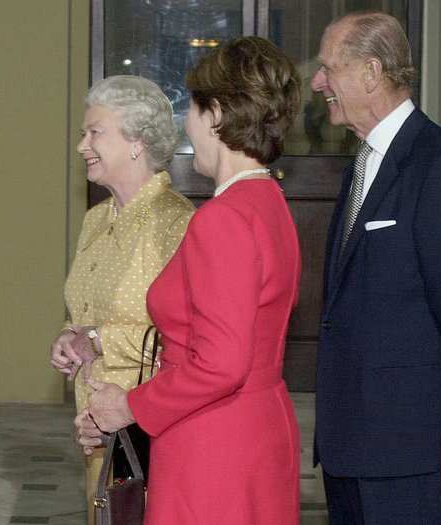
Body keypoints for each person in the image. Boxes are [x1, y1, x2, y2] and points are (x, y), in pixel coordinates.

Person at [76, 37, 302, 525]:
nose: (187, 125)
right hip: (259, 429)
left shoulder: (222, 218)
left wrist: (130, 406)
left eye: (192, 110)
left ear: (215, 114)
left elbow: (220, 364)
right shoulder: (270, 203)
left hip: (213, 445)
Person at [309, 11, 441, 524]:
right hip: (348, 440)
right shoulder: (362, 162)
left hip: (402, 446)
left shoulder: (439, 165)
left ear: (371, 72)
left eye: (328, 69)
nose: (318, 83)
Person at [49, 75, 194, 524]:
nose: (81, 145)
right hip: (95, 425)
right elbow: (84, 312)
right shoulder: (95, 219)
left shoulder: (177, 223)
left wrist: (98, 338)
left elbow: (184, 337)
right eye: (83, 132)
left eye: (95, 132)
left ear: (136, 142)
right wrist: (70, 336)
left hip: (148, 425)